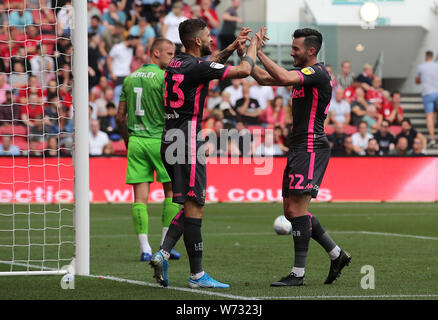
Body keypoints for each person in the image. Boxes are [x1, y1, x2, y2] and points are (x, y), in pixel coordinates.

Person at [149, 19, 259, 289]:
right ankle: (197, 275)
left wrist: (232, 46)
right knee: (195, 205)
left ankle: (162, 254)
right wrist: (252, 47)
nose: (212, 39)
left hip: (169, 138)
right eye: (208, 36)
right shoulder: (197, 67)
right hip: (187, 141)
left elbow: (208, 64)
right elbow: (245, 71)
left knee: (189, 204)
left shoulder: (177, 63)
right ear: (197, 41)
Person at [250, 27, 351, 286]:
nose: (291, 52)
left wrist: (259, 51)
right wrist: (248, 55)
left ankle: (298, 274)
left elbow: (282, 75)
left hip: (311, 146)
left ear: (311, 51)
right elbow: (263, 78)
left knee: (296, 210)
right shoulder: (302, 75)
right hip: (298, 147)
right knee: (292, 211)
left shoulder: (317, 73)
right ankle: (336, 254)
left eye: (295, 49)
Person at [116, 38, 181, 262]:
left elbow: (119, 117)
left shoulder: (129, 78)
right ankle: (166, 247)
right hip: (159, 141)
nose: (172, 58)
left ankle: (144, 248)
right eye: (169, 54)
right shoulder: (165, 78)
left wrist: (128, 140)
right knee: (172, 192)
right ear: (156, 53)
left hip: (136, 141)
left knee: (139, 198)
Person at [415, 50, 438, 147]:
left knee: (429, 115)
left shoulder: (421, 67)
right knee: (434, 113)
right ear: (432, 56)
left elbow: (416, 81)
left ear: (425, 57)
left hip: (428, 92)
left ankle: (432, 138)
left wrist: (423, 80)